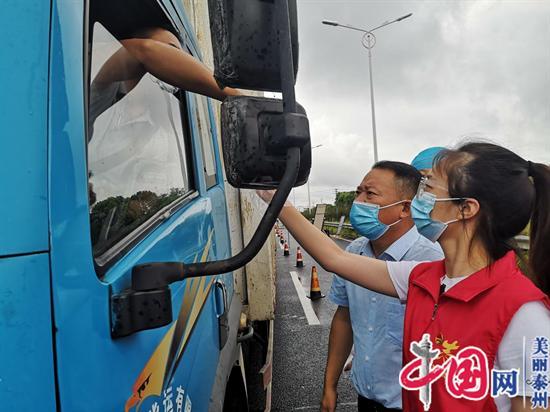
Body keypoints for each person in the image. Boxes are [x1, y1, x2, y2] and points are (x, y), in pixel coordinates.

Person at [258, 142, 550, 411]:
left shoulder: (526, 314)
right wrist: (277, 196)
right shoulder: (422, 277)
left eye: (429, 188)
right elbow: (335, 258)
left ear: (466, 208)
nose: (418, 200)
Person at [322, 162, 443, 412]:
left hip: (414, 403)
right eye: (358, 192)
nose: (359, 202)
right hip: (366, 397)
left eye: (370, 194)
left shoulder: (430, 261)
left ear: (404, 208)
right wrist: (329, 386)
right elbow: (344, 318)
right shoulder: (354, 252)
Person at [89, 27, 239, 134]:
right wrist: (240, 98)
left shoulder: (149, 128)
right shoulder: (92, 71)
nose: (173, 68)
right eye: (170, 52)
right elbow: (145, 52)